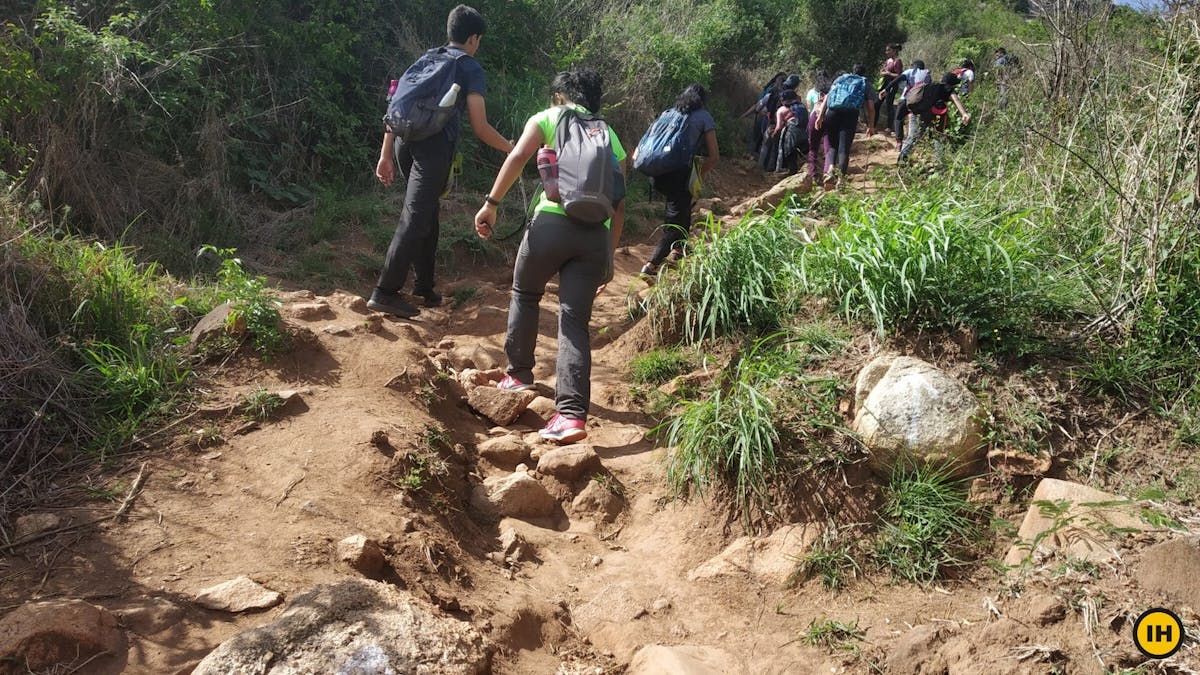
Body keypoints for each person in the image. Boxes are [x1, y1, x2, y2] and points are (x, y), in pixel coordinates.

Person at [474, 69, 626, 444]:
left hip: (551, 227)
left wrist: (491, 204)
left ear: (560, 95)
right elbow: (620, 202)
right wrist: (608, 256)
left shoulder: (547, 118)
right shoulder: (609, 134)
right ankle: (572, 416)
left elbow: (517, 158)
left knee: (526, 294)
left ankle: (519, 375)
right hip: (594, 236)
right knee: (574, 322)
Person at [368, 5, 514, 319]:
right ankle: (385, 291)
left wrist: (385, 154)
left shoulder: (427, 59)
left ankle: (424, 287)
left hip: (404, 144)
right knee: (416, 215)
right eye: (479, 40)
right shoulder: (469, 66)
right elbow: (480, 126)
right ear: (474, 38)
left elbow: (396, 106)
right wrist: (510, 148)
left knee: (427, 211)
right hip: (433, 148)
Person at [638, 84, 719, 280]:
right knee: (675, 223)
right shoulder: (703, 116)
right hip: (679, 176)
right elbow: (714, 156)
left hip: (657, 175)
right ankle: (651, 265)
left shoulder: (667, 113)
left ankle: (679, 251)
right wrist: (697, 176)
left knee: (681, 212)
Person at [821, 64, 875, 186]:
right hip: (850, 115)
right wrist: (871, 126)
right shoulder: (865, 83)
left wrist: (820, 117)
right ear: (864, 73)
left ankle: (830, 170)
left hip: (832, 113)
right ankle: (841, 180)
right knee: (844, 148)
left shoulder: (840, 78)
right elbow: (871, 107)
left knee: (833, 145)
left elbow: (828, 96)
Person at [898, 72, 971, 164]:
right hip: (928, 115)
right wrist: (964, 113)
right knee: (938, 136)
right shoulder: (947, 88)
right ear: (952, 83)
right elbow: (955, 99)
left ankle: (902, 159)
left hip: (915, 112)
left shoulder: (931, 86)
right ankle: (939, 162)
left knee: (913, 137)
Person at [878, 59, 931, 151]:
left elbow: (897, 80)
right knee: (918, 121)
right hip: (920, 102)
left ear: (914, 65)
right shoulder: (927, 74)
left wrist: (886, 89)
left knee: (898, 118)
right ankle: (915, 143)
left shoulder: (910, 71)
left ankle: (899, 142)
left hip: (906, 99)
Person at [741, 72, 785, 157]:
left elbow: (758, 105)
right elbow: (758, 105)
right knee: (760, 138)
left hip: (764, 115)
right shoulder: (773, 91)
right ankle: (753, 156)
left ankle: (753, 156)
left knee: (758, 138)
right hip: (766, 116)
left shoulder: (770, 89)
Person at [770, 88, 807, 175]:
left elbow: (779, 127)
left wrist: (774, 133)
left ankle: (780, 170)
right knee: (801, 154)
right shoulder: (801, 107)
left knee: (786, 151)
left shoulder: (781, 110)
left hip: (791, 132)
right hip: (803, 133)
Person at [806, 70, 832, 188]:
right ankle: (827, 173)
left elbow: (809, 107)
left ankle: (813, 174)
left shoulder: (812, 92)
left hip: (814, 118)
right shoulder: (832, 89)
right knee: (828, 148)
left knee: (813, 147)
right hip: (829, 117)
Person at [878, 43, 904, 133]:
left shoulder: (898, 61)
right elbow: (883, 70)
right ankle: (873, 125)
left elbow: (899, 75)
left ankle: (890, 127)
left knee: (889, 104)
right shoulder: (888, 60)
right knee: (877, 103)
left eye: (888, 50)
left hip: (892, 85)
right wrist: (883, 72)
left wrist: (888, 74)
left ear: (894, 51)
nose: (887, 52)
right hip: (884, 84)